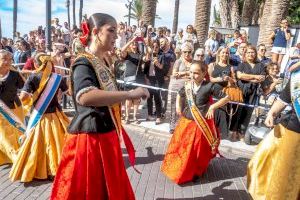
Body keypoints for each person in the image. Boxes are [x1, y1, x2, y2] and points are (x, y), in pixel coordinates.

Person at [50, 13, 149, 200]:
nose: (116, 36)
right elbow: (85, 96)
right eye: (111, 30)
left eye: (116, 31)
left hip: (105, 134)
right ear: (95, 32)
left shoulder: (101, 62)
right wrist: (129, 94)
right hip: (91, 140)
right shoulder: (83, 62)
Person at [161, 61, 229, 184]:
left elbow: (226, 97)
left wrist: (213, 107)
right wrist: (177, 106)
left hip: (201, 124)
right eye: (191, 72)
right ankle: (181, 169)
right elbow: (179, 94)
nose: (193, 75)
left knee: (197, 150)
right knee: (182, 148)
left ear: (204, 73)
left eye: (196, 73)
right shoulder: (187, 85)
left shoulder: (210, 86)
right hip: (186, 123)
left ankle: (196, 171)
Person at [9, 53, 70, 182]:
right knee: (58, 143)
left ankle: (40, 170)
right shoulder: (58, 78)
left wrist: (29, 100)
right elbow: (67, 92)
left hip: (39, 116)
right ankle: (58, 168)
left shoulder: (32, 77)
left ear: (36, 64)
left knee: (38, 144)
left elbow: (23, 97)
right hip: (55, 115)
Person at [247, 73, 300, 200]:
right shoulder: (297, 76)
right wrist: (271, 113)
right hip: (292, 132)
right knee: (282, 176)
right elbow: (283, 99)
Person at [235, 46, 266, 140]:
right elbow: (240, 76)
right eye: (248, 52)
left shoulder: (260, 65)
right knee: (239, 111)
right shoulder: (242, 64)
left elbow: (262, 78)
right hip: (242, 91)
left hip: (254, 92)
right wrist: (255, 77)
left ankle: (242, 133)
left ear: (255, 54)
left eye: (252, 52)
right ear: (245, 54)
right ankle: (235, 131)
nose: (250, 54)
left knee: (248, 113)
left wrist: (248, 77)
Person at [0, 50, 25, 166]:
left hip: (15, 108)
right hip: (1, 110)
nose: (8, 62)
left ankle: (21, 154)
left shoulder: (14, 74)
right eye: (4, 59)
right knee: (3, 136)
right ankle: (15, 157)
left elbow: (24, 87)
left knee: (18, 133)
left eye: (10, 59)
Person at [168, 42, 193, 133]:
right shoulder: (178, 61)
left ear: (191, 52)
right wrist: (187, 73)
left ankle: (181, 125)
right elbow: (174, 74)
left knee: (186, 107)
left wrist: (181, 74)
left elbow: (193, 75)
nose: (187, 53)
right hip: (177, 87)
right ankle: (172, 126)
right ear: (182, 52)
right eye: (185, 51)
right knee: (174, 107)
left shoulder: (193, 62)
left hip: (189, 88)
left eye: (189, 51)